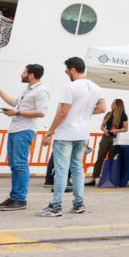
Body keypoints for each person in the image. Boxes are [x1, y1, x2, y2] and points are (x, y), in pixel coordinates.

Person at [36, 57, 106, 217]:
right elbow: (102, 108)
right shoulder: (96, 88)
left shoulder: (71, 87)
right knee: (78, 169)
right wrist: (85, 112)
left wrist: (49, 132)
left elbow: (63, 112)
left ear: (73, 69)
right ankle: (78, 203)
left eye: (66, 70)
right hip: (82, 133)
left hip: (66, 133)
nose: (66, 72)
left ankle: (56, 206)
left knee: (61, 169)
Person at [0, 64, 51, 210]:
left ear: (31, 75)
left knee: (21, 164)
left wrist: (17, 113)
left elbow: (41, 112)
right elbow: (14, 102)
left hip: (25, 130)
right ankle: (14, 197)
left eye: (24, 72)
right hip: (15, 129)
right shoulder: (27, 90)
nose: (21, 74)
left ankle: (20, 199)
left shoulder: (42, 91)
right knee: (14, 165)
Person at [88, 98, 127, 185]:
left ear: (118, 105)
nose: (111, 105)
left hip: (115, 139)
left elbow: (125, 128)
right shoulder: (109, 114)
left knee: (111, 159)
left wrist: (117, 130)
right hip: (105, 137)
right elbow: (102, 126)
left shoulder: (123, 115)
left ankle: (108, 178)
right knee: (100, 157)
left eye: (113, 103)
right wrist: (104, 130)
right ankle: (93, 178)